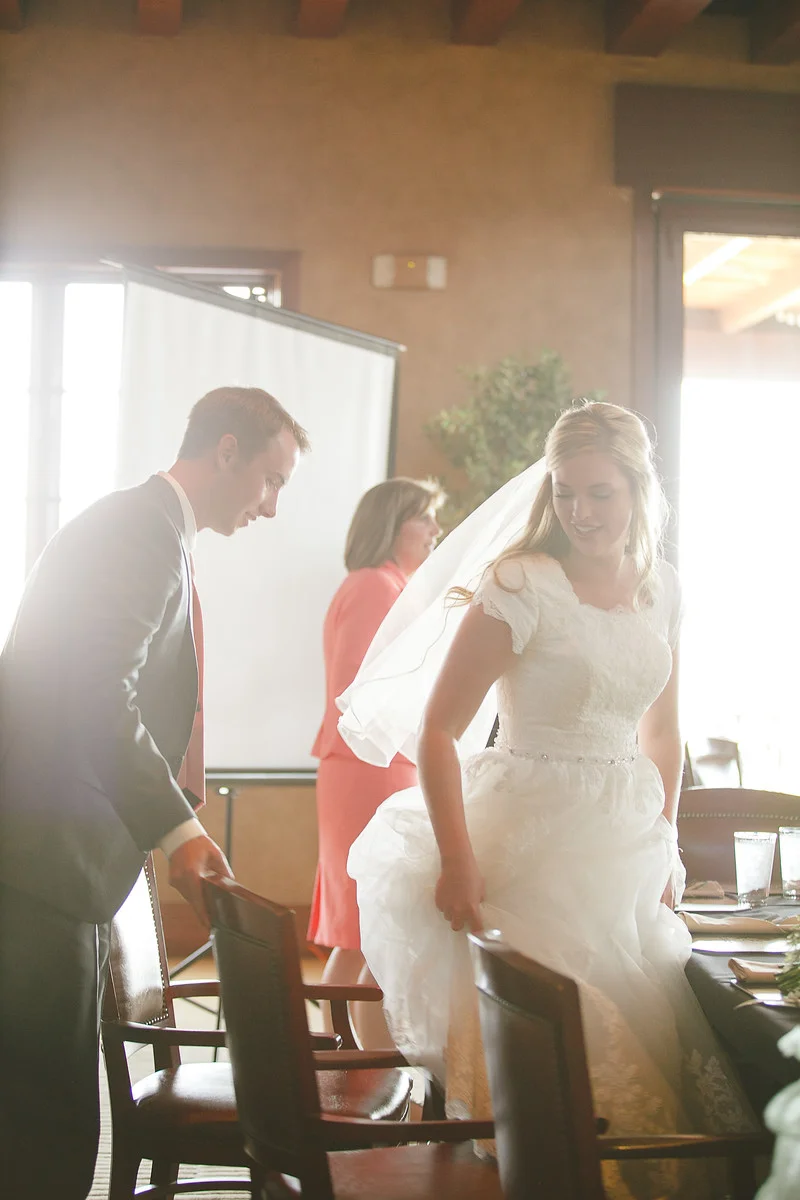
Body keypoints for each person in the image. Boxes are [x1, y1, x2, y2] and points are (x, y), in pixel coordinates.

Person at [341, 403, 755, 1198]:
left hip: (624, 842)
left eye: (600, 494)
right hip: (526, 836)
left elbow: (662, 732)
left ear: (639, 489)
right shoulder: (521, 583)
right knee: (560, 1045)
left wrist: (665, 841)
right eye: (566, 493)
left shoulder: (663, 589)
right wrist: (458, 859)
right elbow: (438, 731)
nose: (580, 512)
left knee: (651, 1020)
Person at [0, 385, 308, 1199]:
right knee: (45, 1117)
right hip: (42, 857)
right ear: (227, 451)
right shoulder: (139, 532)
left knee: (47, 1106)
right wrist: (179, 829)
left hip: (55, 853)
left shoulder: (149, 528)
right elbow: (100, 694)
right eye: (271, 480)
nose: (271, 506)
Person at [308, 477, 443, 1045]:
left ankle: (347, 1057)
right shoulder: (374, 587)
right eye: (424, 518)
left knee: (363, 930)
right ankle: (360, 1064)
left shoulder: (390, 586)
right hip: (371, 768)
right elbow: (358, 693)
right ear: (392, 526)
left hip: (380, 765)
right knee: (369, 926)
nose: (436, 530)